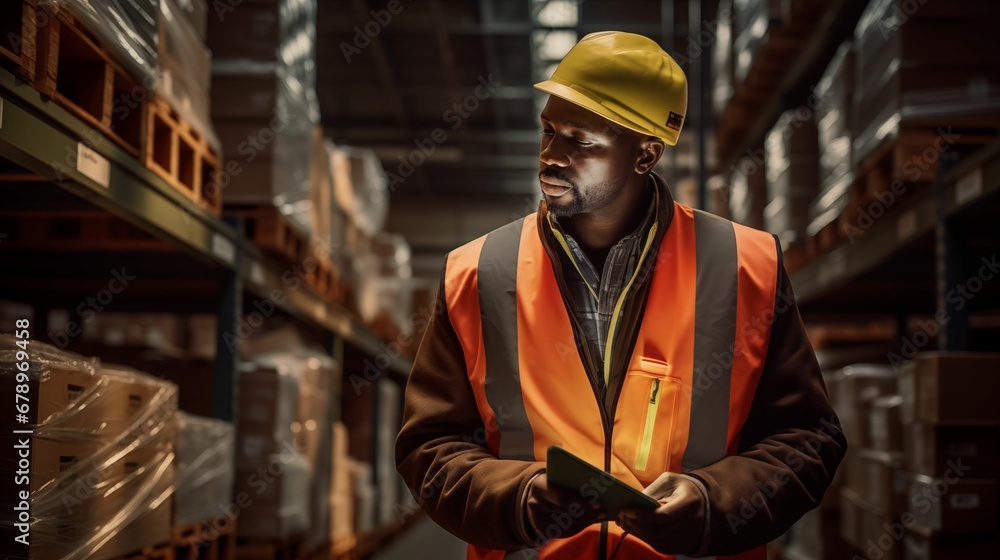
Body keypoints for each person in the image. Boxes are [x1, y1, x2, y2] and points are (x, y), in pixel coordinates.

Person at [396, 31, 846, 560]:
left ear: (645, 154)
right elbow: (430, 447)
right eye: (548, 130)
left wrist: (711, 502)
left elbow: (806, 440)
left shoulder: (747, 266)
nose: (551, 156)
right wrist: (517, 495)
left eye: (580, 140)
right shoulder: (477, 272)